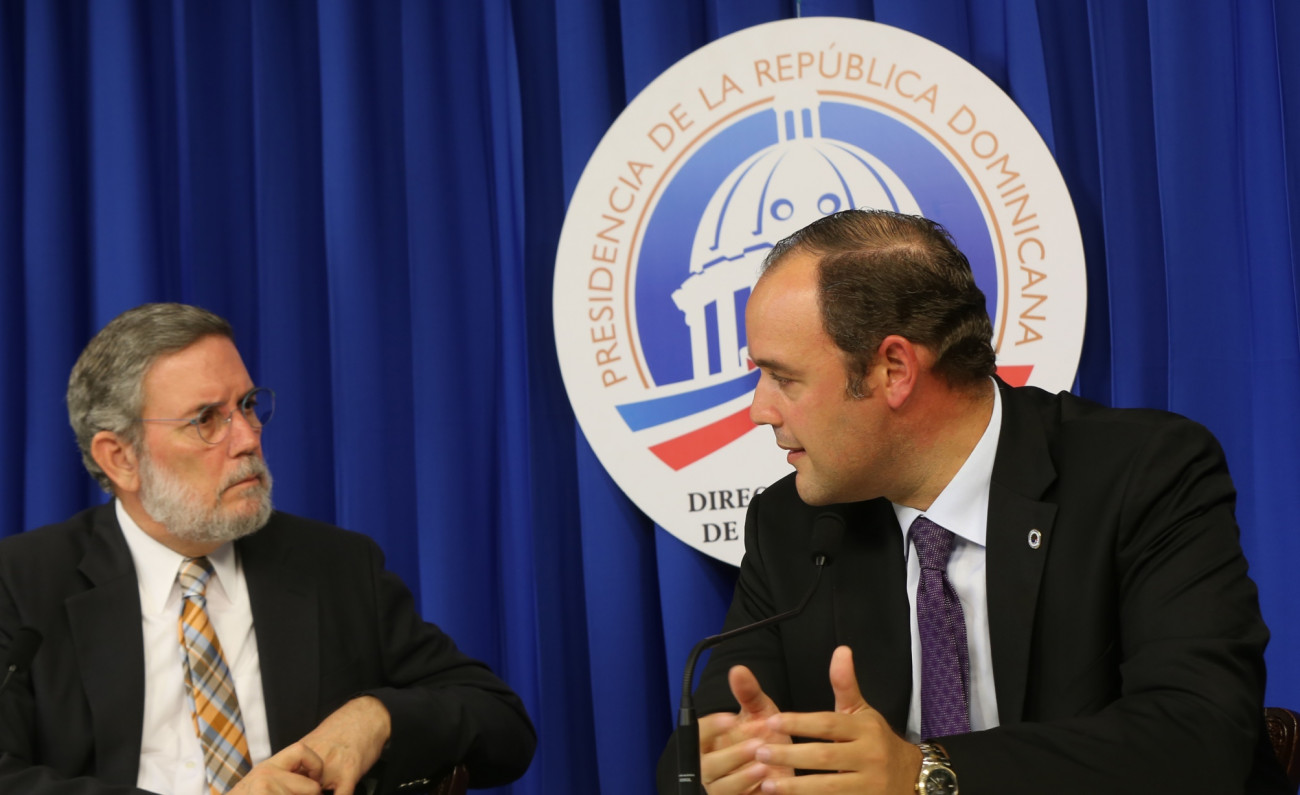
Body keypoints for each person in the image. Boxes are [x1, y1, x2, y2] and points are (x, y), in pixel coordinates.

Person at [657, 210, 1288, 794]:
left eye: (783, 378)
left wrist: (926, 774)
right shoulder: (793, 525)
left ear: (893, 370)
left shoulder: (1142, 473)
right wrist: (725, 766)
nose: (759, 410)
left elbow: (1198, 735)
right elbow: (692, 755)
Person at [0, 303, 536, 795]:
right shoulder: (23, 583)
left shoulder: (335, 566)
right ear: (119, 458)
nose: (247, 438)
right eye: (206, 420)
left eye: (247, 406)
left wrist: (375, 718)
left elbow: (502, 724)